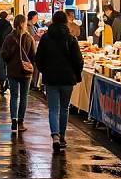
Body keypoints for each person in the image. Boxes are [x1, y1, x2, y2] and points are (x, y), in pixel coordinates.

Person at [35, 11, 84, 152]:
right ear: (65, 22)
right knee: (64, 108)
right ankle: (62, 136)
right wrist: (75, 73)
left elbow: (38, 59)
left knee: (53, 108)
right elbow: (78, 61)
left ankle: (55, 136)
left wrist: (45, 71)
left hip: (51, 78)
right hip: (67, 78)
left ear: (53, 21)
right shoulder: (71, 39)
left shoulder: (45, 39)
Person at [1, 15, 35, 132]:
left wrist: (10, 60)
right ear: (23, 24)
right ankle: (20, 122)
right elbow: (33, 56)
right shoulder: (29, 38)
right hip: (25, 72)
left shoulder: (9, 38)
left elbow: (4, 55)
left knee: (14, 96)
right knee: (24, 96)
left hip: (12, 71)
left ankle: (14, 120)